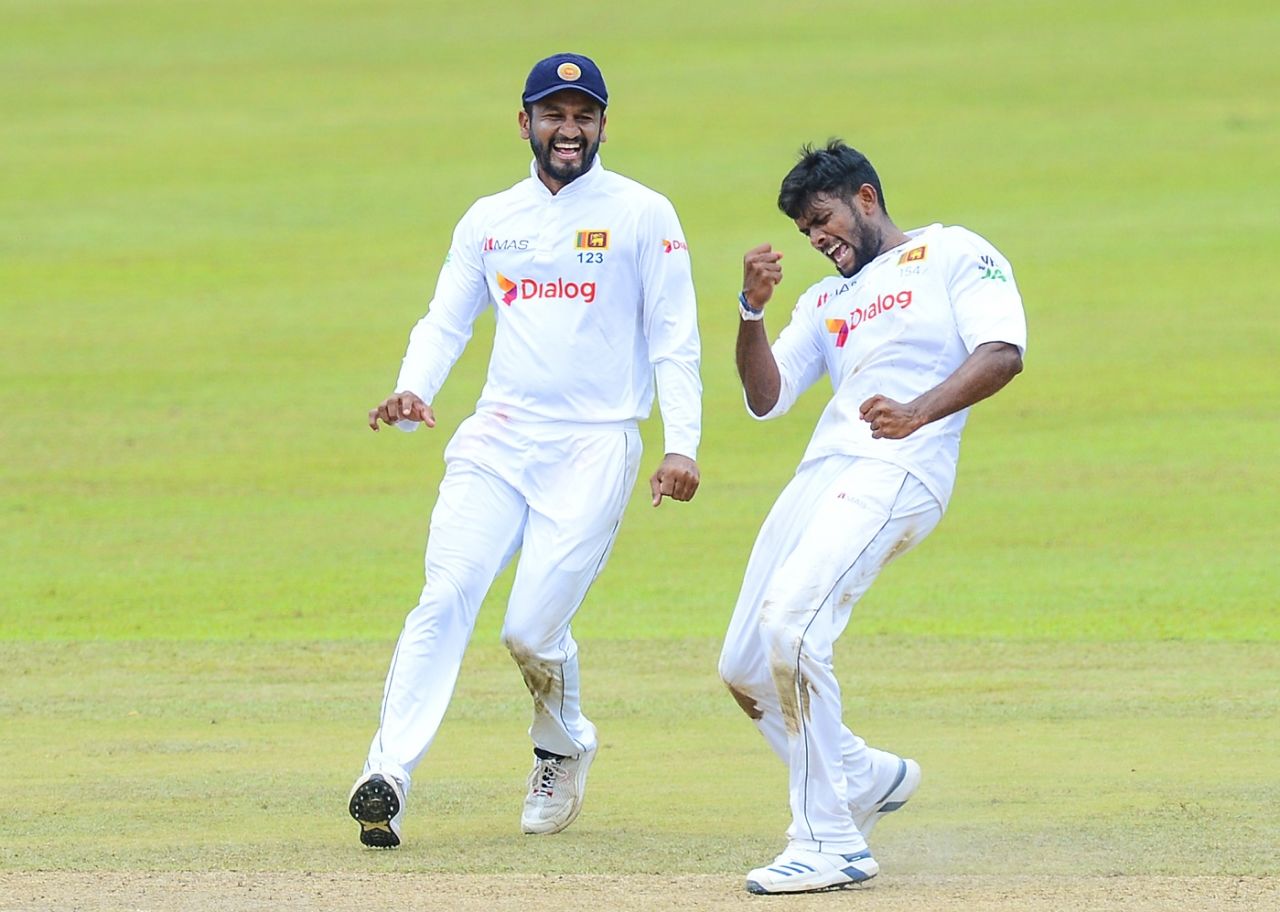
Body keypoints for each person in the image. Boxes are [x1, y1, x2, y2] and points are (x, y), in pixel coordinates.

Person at [348, 52, 702, 848]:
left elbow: (675, 337)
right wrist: (414, 393)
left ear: (604, 125)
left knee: (530, 633)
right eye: (553, 115)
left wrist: (682, 445)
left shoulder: (645, 214)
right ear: (525, 123)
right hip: (498, 438)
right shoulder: (489, 219)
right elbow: (445, 320)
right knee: (445, 596)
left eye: (583, 116)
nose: (567, 130)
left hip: (595, 444)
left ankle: (563, 740)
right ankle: (388, 775)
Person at [719, 140, 1026, 893]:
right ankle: (862, 777)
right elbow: (766, 398)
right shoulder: (824, 300)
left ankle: (830, 843)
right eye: (803, 233)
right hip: (821, 475)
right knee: (745, 666)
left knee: (793, 625)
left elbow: (1004, 351)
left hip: (900, 467)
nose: (817, 240)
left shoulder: (953, 252)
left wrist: (918, 413)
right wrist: (750, 310)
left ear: (865, 198)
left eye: (821, 219)